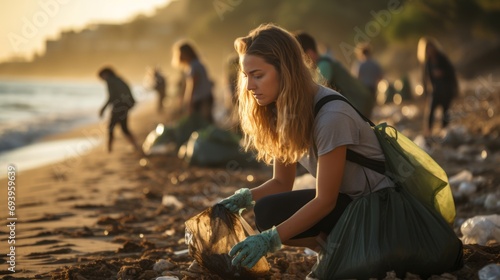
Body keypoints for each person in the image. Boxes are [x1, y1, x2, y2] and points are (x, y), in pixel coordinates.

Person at [217, 24, 463, 278]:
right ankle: (332, 247)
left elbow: (326, 201)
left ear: (285, 70)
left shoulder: (331, 116)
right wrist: (241, 199)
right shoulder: (285, 111)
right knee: (266, 210)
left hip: (380, 210)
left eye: (257, 75)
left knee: (281, 217)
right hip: (348, 202)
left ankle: (350, 248)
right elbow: (281, 182)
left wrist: (270, 240)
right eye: (246, 76)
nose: (248, 86)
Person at [295, 31, 375, 118]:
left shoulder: (324, 65)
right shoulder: (325, 63)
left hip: (359, 104)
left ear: (309, 53)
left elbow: (316, 93)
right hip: (361, 102)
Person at [418, 37, 459, 137]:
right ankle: (428, 132)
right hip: (435, 91)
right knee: (430, 112)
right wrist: (425, 93)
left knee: (446, 112)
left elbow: (452, 72)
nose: (430, 50)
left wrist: (443, 73)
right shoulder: (427, 63)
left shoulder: (442, 58)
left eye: (431, 47)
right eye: (428, 48)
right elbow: (425, 78)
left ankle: (444, 132)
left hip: (446, 90)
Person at [98, 66, 142, 154]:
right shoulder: (118, 79)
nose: (102, 79)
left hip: (119, 106)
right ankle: (135, 145)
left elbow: (112, 97)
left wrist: (103, 108)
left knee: (111, 127)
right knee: (124, 127)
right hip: (125, 105)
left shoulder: (110, 81)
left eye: (102, 76)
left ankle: (109, 148)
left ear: (106, 74)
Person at [172, 41, 214, 123]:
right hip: (207, 96)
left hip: (201, 100)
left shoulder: (193, 66)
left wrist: (188, 103)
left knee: (201, 123)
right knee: (208, 121)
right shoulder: (198, 63)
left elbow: (192, 86)